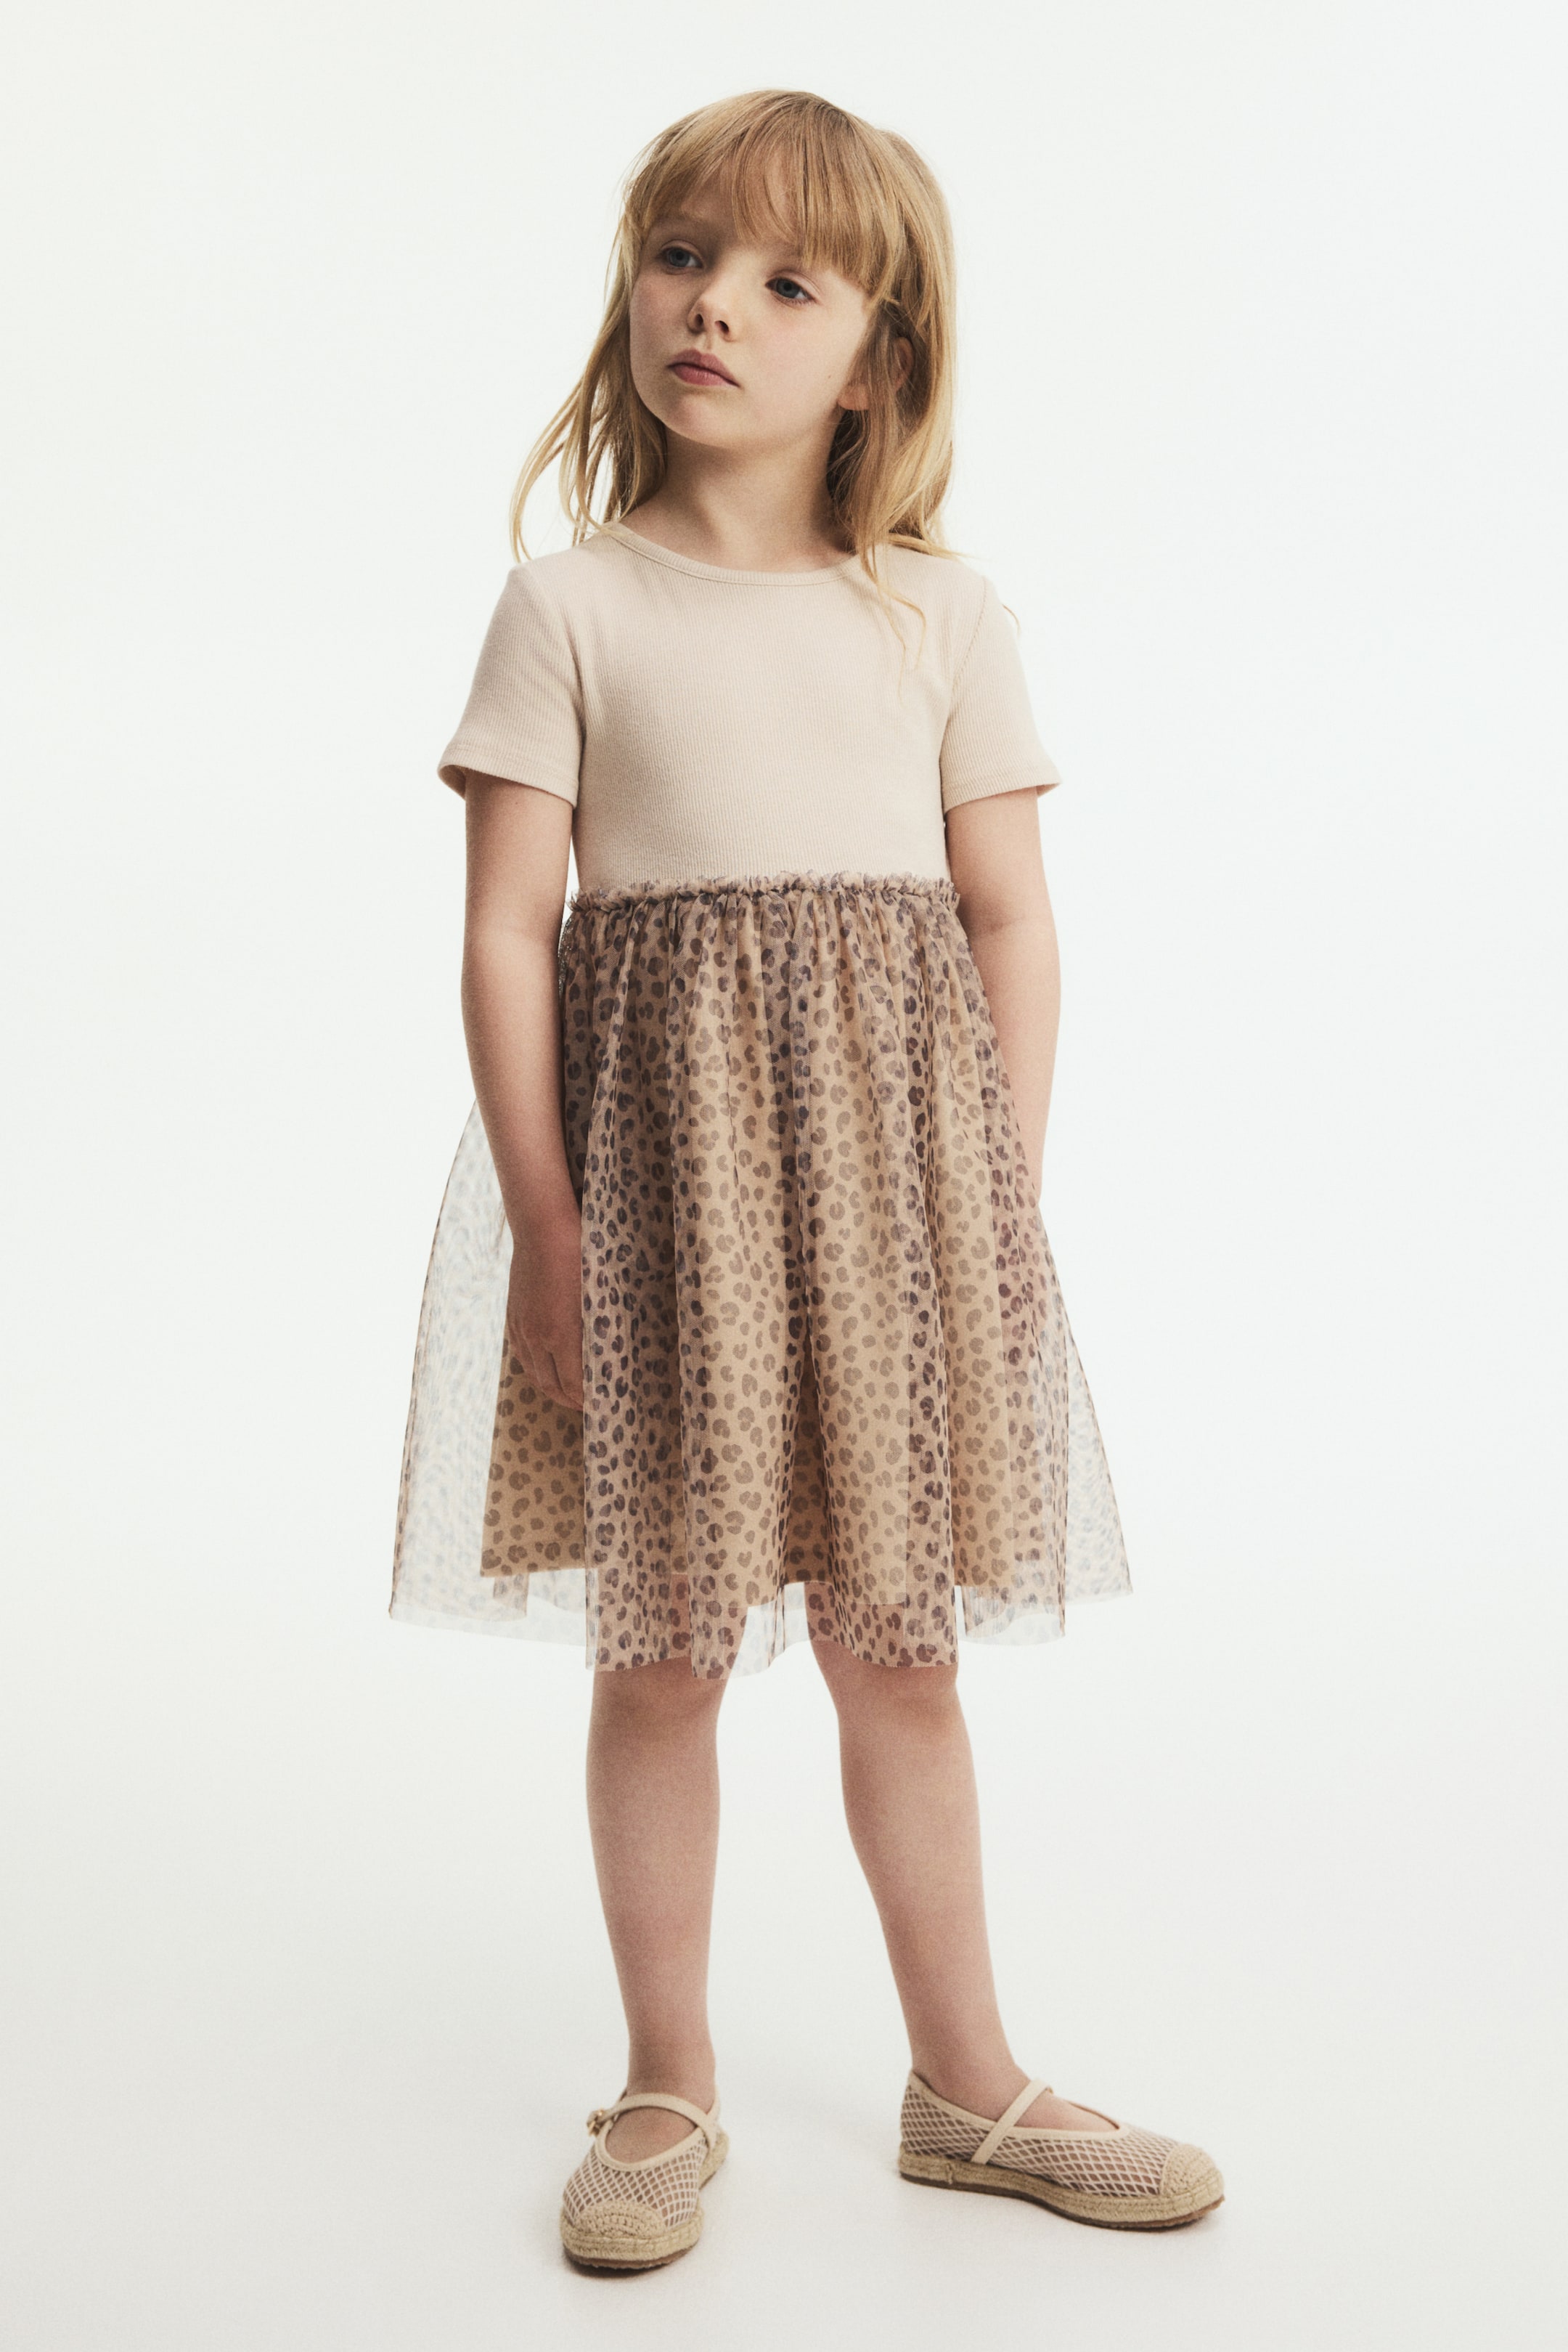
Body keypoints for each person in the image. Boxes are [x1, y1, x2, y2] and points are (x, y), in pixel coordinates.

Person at [391, 87, 1222, 2271]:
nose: (714, 309)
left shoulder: (937, 615)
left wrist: (993, 1210)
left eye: (784, 282)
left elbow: (1010, 920)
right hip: (663, 1204)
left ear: (877, 361)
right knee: (663, 1652)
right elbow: (507, 933)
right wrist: (551, 1227)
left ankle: (970, 2081)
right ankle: (666, 2082)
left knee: (901, 1649)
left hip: (891, 1207)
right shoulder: (570, 606)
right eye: (681, 257)